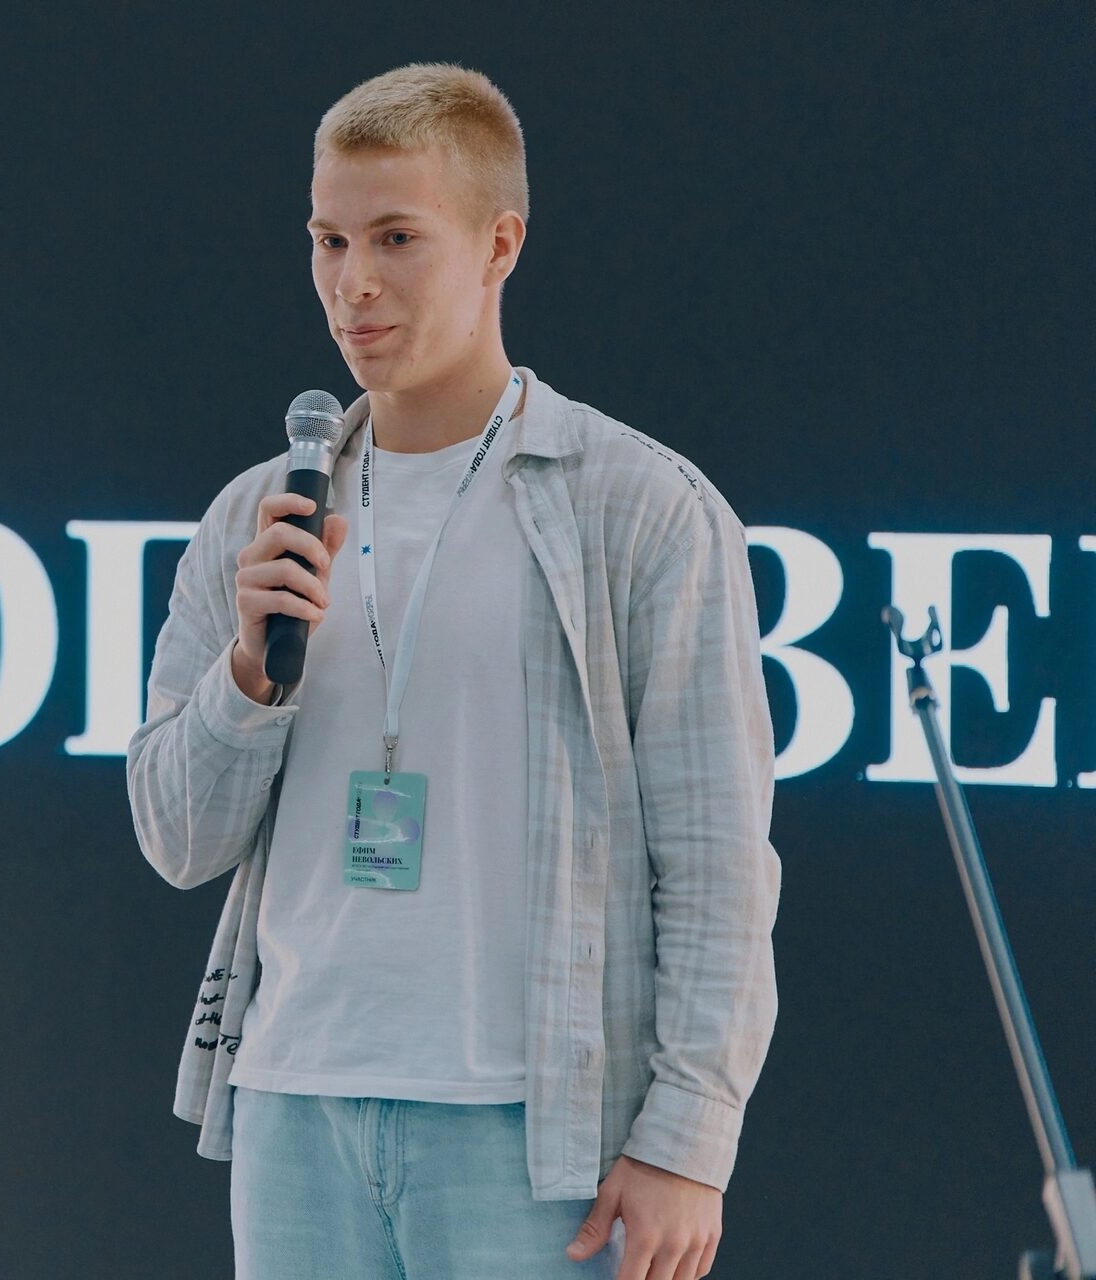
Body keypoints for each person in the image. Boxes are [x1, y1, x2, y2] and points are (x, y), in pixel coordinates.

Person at [124, 62, 781, 1280]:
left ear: (499, 245)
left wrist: (691, 1135)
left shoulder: (640, 508)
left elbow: (717, 857)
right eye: (328, 240)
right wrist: (248, 675)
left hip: (530, 1132)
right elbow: (174, 835)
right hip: (293, 1104)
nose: (352, 282)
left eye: (395, 238)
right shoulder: (257, 515)